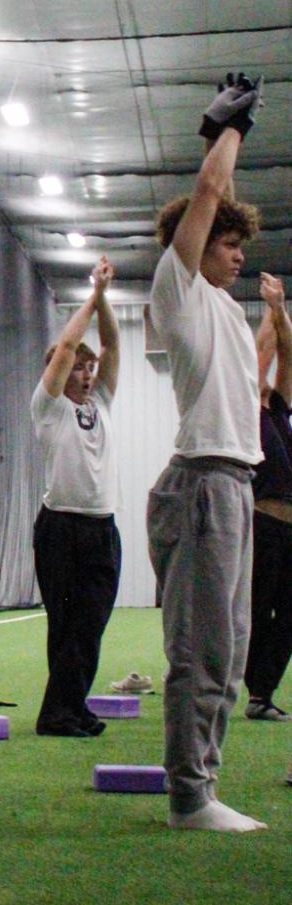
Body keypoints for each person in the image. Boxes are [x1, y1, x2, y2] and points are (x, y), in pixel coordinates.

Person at [146, 74, 267, 833]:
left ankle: (205, 783)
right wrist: (228, 131)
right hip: (201, 486)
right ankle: (190, 795)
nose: (237, 256)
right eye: (227, 243)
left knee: (232, 649)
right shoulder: (178, 287)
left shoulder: (226, 308)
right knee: (200, 649)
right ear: (194, 245)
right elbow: (210, 189)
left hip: (234, 485)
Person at [31, 256, 121, 738]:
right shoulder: (47, 408)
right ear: (58, 373)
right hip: (60, 527)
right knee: (66, 627)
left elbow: (111, 343)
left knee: (90, 624)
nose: (87, 374)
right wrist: (92, 292)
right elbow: (67, 344)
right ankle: (63, 712)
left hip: (101, 527)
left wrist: (104, 298)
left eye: (90, 369)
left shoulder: (101, 403)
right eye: (78, 368)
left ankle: (63, 709)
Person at [245, 273, 292, 720]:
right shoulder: (244, 407)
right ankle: (254, 691)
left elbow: (286, 353)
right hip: (261, 525)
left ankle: (262, 691)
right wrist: (268, 310)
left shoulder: (277, 408)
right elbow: (263, 353)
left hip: (289, 527)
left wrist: (280, 310)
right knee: (258, 612)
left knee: (288, 616)